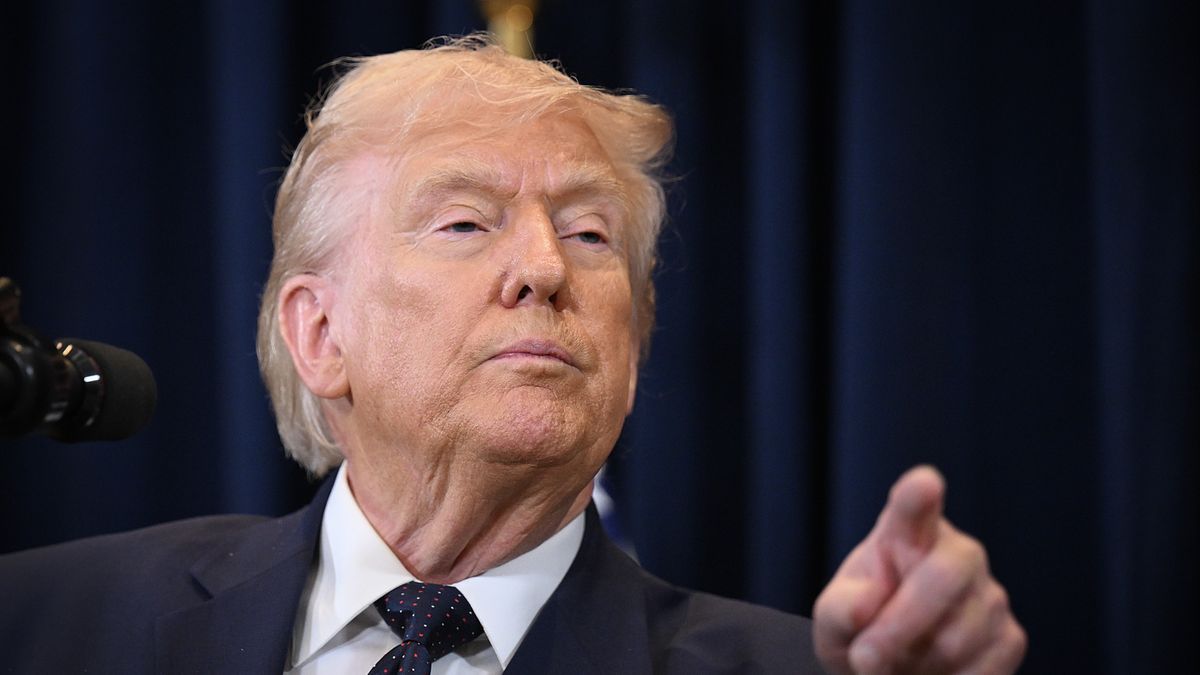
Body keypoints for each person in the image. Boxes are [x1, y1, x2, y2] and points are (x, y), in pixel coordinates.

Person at [0, 35, 1025, 674]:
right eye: (464, 224)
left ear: (634, 345)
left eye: (589, 234)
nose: (544, 269)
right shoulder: (44, 624)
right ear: (321, 335)